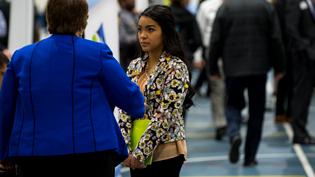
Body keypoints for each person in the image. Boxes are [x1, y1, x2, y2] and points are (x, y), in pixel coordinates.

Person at [0, 1, 145, 177]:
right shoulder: (96, 53)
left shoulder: (21, 57)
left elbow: (5, 110)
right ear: (83, 20)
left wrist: (3, 152)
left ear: (48, 18)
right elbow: (132, 100)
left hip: (33, 156)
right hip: (92, 154)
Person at [118, 5, 194, 177]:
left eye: (150, 30)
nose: (143, 36)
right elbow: (125, 107)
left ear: (165, 32)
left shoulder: (176, 67)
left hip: (165, 152)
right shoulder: (134, 66)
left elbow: (166, 115)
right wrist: (126, 147)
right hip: (134, 148)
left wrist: (140, 153)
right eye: (139, 30)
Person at [209, 0, 285, 166]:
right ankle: (250, 157)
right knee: (257, 113)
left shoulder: (225, 8)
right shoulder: (265, 7)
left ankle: (234, 133)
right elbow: (276, 39)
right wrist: (280, 68)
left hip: (233, 67)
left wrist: (212, 67)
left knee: (233, 104)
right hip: (259, 67)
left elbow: (215, 39)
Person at [285, 0, 315, 144]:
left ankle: (303, 130)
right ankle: (299, 132)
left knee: (307, 97)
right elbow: (291, 28)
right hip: (302, 58)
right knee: (301, 96)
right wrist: (306, 48)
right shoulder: (295, 3)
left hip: (311, 57)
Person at [196, 0, 227, 141]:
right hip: (213, 52)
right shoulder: (206, 7)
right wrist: (199, 56)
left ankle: (231, 118)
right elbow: (199, 31)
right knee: (217, 88)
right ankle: (220, 123)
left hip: (233, 52)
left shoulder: (234, 5)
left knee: (232, 87)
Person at [118, 0, 139, 71]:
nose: (133, 1)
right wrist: (139, 38)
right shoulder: (121, 17)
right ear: (122, 2)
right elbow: (122, 39)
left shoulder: (136, 14)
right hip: (129, 59)